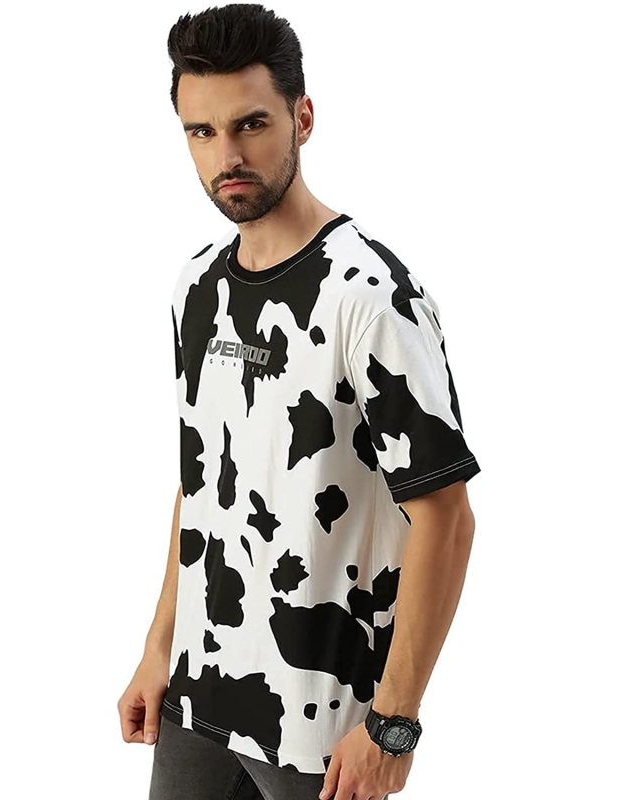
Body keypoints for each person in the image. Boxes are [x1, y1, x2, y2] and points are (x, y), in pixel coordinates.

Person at [118, 5, 481, 799]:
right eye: (201, 132)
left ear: (303, 118)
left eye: (250, 124)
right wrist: (157, 646)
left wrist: (393, 722)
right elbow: (200, 483)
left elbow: (446, 518)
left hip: (320, 731)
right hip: (196, 700)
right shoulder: (196, 287)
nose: (227, 156)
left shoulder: (370, 295)